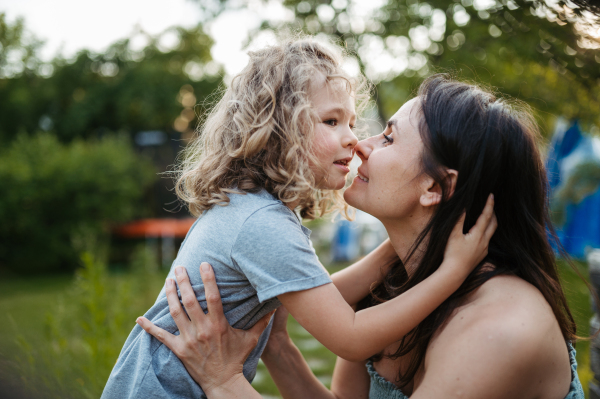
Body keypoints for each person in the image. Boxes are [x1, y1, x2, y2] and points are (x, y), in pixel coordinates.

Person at [139, 74, 586, 399]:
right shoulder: (392, 291)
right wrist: (277, 347)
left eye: (389, 138)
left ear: (435, 188)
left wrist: (223, 382)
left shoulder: (498, 331)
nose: (361, 143)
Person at [101, 41, 496, 399]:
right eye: (331, 121)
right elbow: (352, 337)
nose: (353, 139)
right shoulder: (260, 223)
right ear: (278, 129)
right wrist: (452, 271)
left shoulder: (258, 210)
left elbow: (323, 295)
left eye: (351, 122)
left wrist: (404, 241)